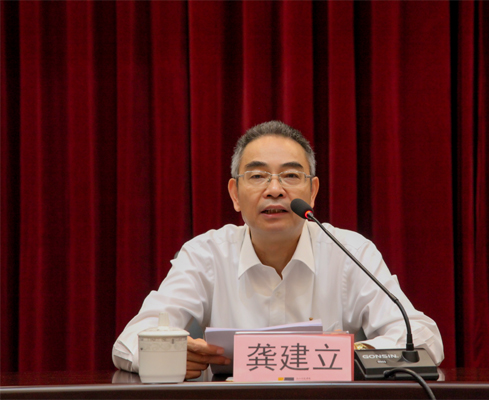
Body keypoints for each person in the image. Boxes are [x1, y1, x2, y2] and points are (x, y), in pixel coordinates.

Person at [112, 121, 444, 379]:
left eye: (290, 175)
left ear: (312, 192)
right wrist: (166, 355)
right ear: (235, 194)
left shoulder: (350, 252)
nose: (274, 189)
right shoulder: (205, 255)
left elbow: (422, 337)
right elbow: (130, 341)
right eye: (257, 176)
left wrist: (346, 353)